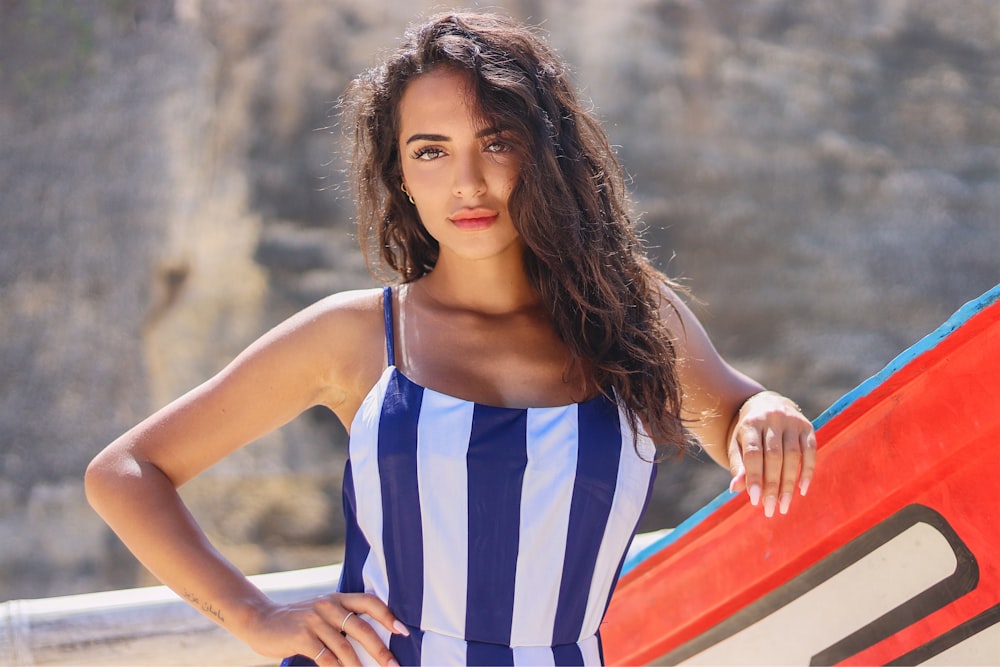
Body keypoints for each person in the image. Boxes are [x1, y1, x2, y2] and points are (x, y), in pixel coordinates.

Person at [85, 11, 816, 667]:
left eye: (495, 142)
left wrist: (767, 411)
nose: (467, 182)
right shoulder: (357, 335)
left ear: (544, 152)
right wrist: (256, 616)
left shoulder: (631, 317)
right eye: (431, 151)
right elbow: (126, 471)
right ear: (400, 174)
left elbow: (735, 419)